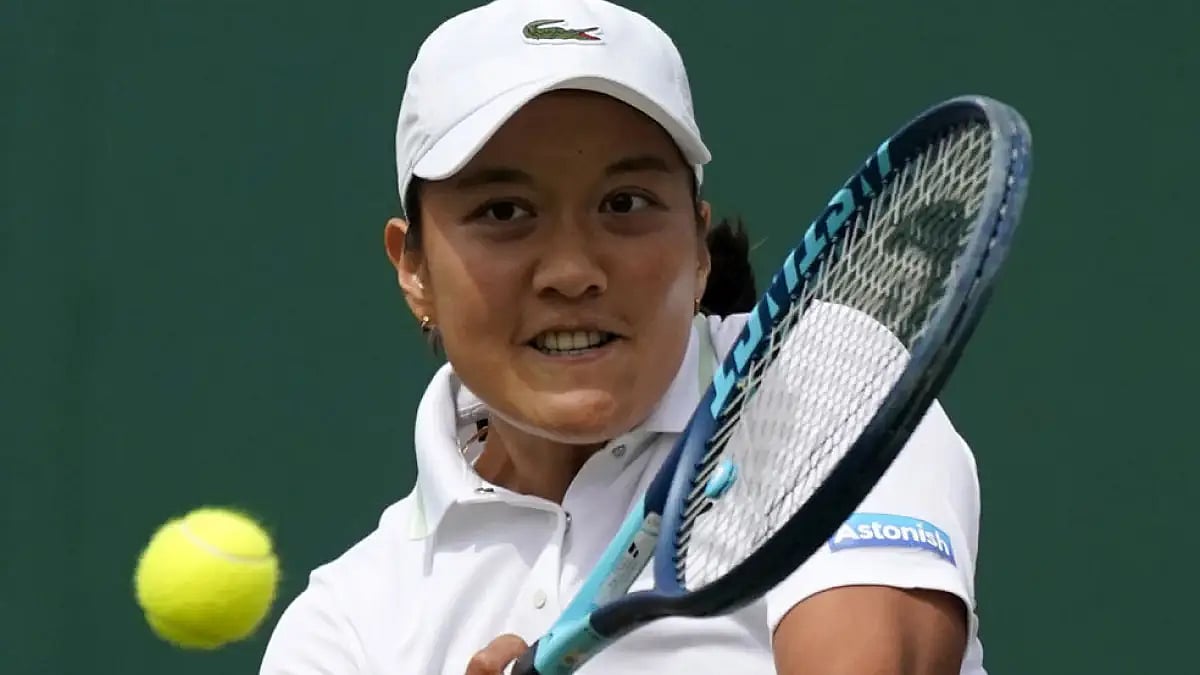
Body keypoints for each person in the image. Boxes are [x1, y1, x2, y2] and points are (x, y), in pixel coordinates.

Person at [259, 0, 987, 673]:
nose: (573, 271)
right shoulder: (342, 631)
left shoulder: (814, 380)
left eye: (626, 202)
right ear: (414, 268)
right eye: (505, 211)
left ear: (698, 249)